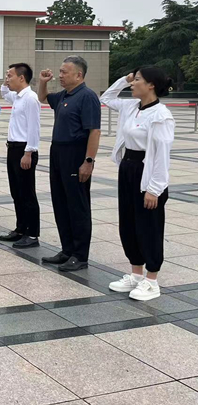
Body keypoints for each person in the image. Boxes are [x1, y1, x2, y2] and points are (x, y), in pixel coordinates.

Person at [101, 68, 174, 301]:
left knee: (149, 226)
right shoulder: (131, 106)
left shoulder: (161, 115)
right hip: (128, 168)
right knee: (129, 222)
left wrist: (154, 189)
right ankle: (135, 274)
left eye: (138, 80)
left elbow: (161, 155)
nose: (133, 84)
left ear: (151, 85)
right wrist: (125, 79)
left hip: (147, 171)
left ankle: (151, 280)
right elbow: (107, 97)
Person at [38, 56, 101, 272]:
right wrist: (43, 82)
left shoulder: (87, 96)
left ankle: (80, 255)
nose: (60, 76)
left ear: (79, 75)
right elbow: (43, 97)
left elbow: (94, 131)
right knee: (61, 202)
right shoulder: (64, 95)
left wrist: (88, 161)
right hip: (58, 152)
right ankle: (67, 249)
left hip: (75, 154)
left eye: (64, 72)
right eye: (60, 71)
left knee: (77, 205)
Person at [0, 63, 42, 249]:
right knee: (16, 192)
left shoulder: (30, 98)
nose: (7, 79)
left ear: (22, 78)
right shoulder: (17, 96)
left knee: (27, 193)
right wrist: (6, 80)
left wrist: (29, 152)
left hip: (24, 150)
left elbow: (34, 127)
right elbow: (3, 92)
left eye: (10, 75)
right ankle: (21, 228)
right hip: (13, 148)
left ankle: (32, 234)